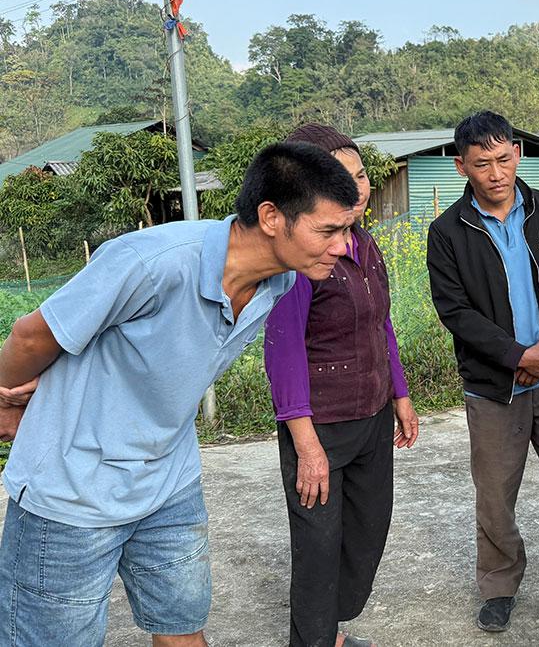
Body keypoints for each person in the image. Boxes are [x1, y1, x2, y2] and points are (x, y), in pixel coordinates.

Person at [0, 142, 361, 647]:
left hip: (169, 483)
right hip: (73, 493)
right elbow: (33, 336)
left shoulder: (277, 284)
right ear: (272, 217)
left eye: (346, 229)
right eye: (329, 230)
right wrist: (4, 401)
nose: (343, 245)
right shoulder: (154, 262)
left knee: (181, 625)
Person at [426, 110, 539, 632]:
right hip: (495, 390)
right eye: (482, 164)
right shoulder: (447, 231)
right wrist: (516, 356)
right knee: (495, 495)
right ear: (461, 167)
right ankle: (498, 587)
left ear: (517, 153)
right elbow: (454, 311)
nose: (496, 173)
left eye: (503, 159)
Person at [263, 124, 419, 647]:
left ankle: (330, 626)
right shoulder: (301, 258)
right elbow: (282, 351)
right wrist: (306, 445)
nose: (357, 188)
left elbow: (381, 323)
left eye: (360, 175)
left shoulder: (367, 245)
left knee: (368, 532)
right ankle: (315, 639)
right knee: (319, 548)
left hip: (372, 416)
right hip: (321, 428)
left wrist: (400, 394)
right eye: (341, 179)